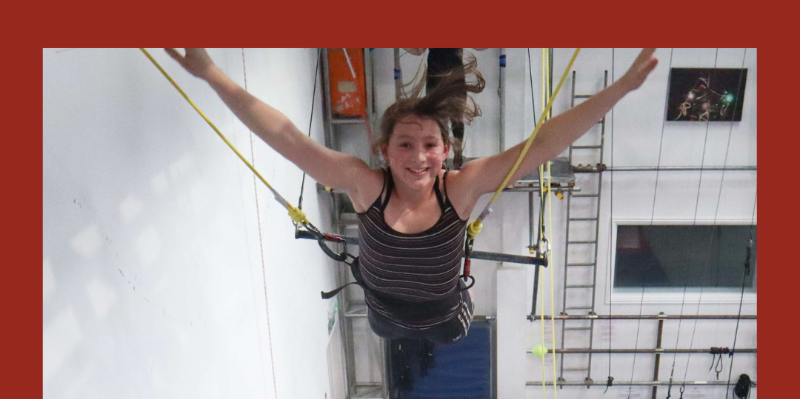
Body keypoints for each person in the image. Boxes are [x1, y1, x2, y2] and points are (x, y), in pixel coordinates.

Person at [166, 48, 658, 344]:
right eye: (405, 144)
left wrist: (619, 90)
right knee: (386, 330)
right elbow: (290, 139)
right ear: (384, 150)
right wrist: (212, 73)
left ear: (447, 151)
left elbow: (544, 144)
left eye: (429, 146)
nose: (418, 158)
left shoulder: (461, 189)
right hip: (383, 311)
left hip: (447, 317)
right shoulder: (366, 184)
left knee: (443, 335)